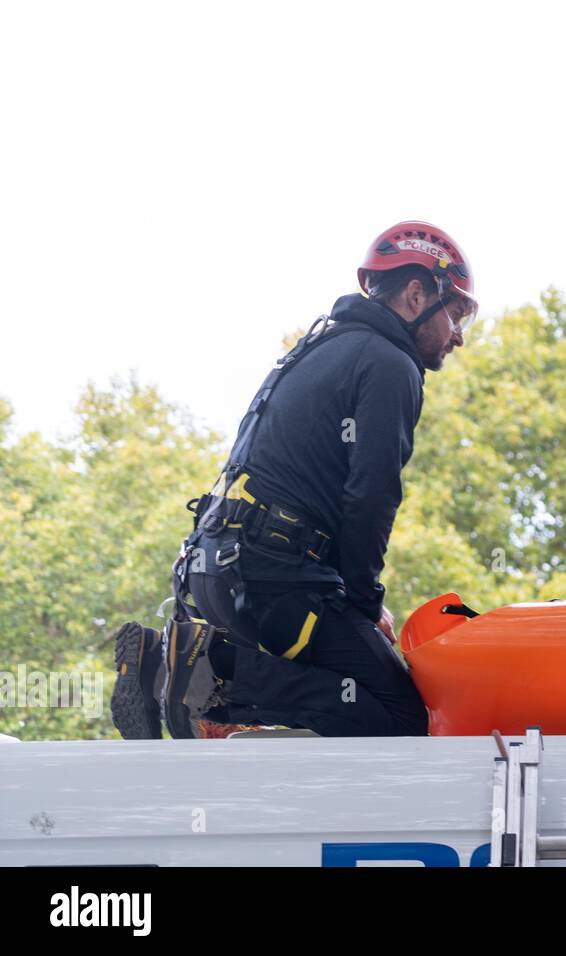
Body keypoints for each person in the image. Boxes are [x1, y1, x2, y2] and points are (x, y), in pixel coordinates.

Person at [111, 221, 475, 738]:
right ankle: (201, 675)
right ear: (417, 295)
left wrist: (357, 601)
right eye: (457, 315)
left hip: (219, 569)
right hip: (272, 578)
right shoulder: (391, 362)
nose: (458, 337)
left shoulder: (320, 347)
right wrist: (365, 603)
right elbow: (371, 497)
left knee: (348, 697)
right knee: (403, 721)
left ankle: (201, 685)